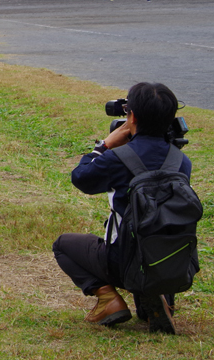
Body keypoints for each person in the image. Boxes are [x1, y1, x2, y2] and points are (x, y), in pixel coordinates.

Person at [53, 82, 191, 334]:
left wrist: (104, 145)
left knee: (63, 245)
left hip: (123, 260)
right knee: (155, 242)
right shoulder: (181, 161)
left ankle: (109, 299)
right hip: (173, 262)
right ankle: (159, 294)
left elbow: (81, 178)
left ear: (132, 116)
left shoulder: (119, 157)